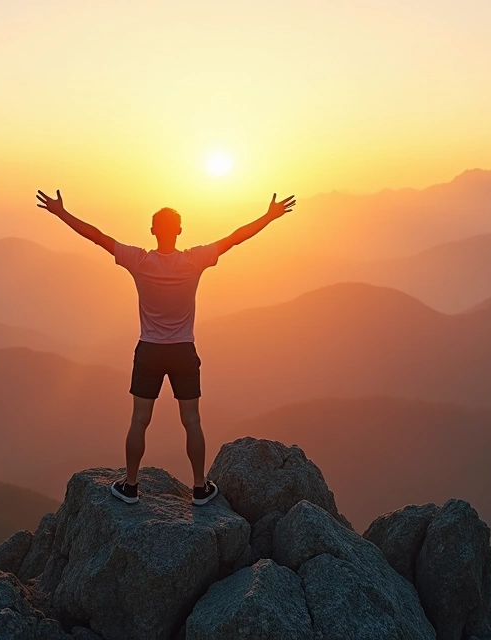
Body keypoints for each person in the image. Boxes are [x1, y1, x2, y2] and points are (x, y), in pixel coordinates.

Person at [36, 189, 296, 505]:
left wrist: (61, 213)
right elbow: (235, 238)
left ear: (152, 230)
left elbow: (97, 237)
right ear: (180, 231)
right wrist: (269, 216)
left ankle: (130, 486)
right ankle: (200, 488)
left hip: (149, 351)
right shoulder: (194, 260)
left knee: (139, 421)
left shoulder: (139, 260)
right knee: (192, 421)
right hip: (184, 350)